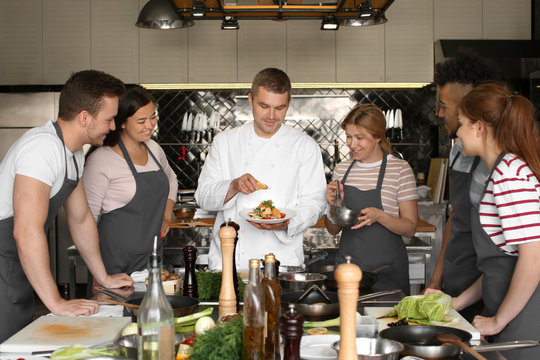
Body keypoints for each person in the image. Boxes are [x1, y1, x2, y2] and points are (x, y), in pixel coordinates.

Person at [0, 70, 134, 342]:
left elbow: (81, 219)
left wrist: (103, 277)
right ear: (84, 117)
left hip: (17, 264)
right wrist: (56, 302)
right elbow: (25, 231)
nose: (112, 127)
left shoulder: (73, 155)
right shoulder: (42, 148)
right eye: (109, 119)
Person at [436, 82, 540, 360]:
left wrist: (498, 320)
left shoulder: (509, 176)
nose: (457, 133)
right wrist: (457, 302)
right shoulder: (502, 172)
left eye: (462, 124)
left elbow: (532, 259)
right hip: (508, 312)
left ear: (479, 127)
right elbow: (501, 264)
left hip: (525, 319)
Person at [195, 68, 327, 271]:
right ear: (250, 99)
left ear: (289, 104)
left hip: (282, 262)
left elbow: (316, 202)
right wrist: (233, 186)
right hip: (230, 262)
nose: (271, 116)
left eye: (280, 108)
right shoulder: (225, 142)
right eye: (264, 106)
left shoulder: (305, 146)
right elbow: (203, 197)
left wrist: (286, 224)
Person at [424, 48, 497, 320]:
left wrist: (494, 309)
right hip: (457, 289)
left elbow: (514, 255)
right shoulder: (459, 151)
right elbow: (456, 218)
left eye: (444, 105)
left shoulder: (506, 169)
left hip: (488, 297)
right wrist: (436, 281)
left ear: (469, 106)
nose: (439, 113)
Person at [83, 86, 178, 279]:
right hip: (113, 261)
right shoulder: (102, 160)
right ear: (122, 123)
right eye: (141, 121)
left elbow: (172, 179)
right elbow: (87, 219)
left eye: (153, 117)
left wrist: (167, 215)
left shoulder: (154, 149)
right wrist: (97, 274)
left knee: (152, 306)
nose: (150, 125)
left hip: (150, 256)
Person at [324, 104, 418, 295]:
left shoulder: (400, 169)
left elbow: (410, 228)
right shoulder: (342, 170)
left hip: (388, 272)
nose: (352, 144)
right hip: (349, 272)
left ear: (378, 137)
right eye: (348, 136)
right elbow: (332, 230)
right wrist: (333, 207)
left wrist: (380, 216)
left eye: (359, 138)